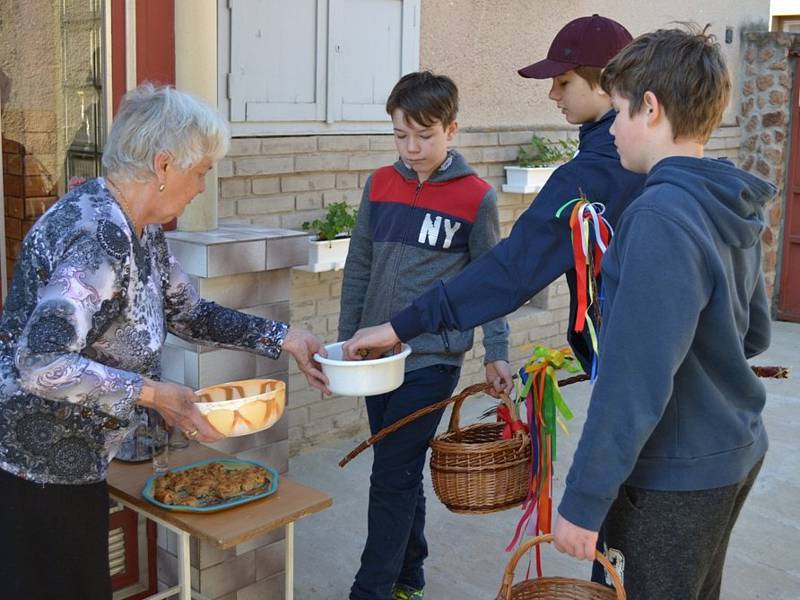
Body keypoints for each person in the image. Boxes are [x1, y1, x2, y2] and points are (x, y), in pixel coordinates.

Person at [0, 83, 328, 600]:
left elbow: (189, 313)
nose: (201, 187)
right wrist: (152, 393)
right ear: (163, 165)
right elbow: (41, 364)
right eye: (199, 172)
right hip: (34, 476)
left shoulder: (140, 227)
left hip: (75, 464)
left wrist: (286, 337)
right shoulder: (97, 236)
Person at [551, 26, 774, 599]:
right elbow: (752, 334)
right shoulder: (727, 200)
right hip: (732, 453)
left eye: (619, 110)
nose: (614, 129)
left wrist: (584, 500)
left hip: (674, 475)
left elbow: (634, 381)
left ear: (650, 108)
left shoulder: (660, 216)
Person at [341, 15, 643, 378]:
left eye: (563, 81)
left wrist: (399, 327)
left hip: (634, 359)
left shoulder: (598, 171)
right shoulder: (633, 156)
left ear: (607, 82)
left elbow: (512, 269)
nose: (552, 93)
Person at [339, 71, 511, 600]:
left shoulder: (476, 198)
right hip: (374, 357)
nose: (411, 148)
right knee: (402, 469)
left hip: (433, 358)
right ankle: (410, 574)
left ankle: (370, 591)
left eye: (425, 134)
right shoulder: (379, 184)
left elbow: (493, 283)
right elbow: (359, 267)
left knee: (389, 476)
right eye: (400, 135)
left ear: (452, 130)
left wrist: (496, 353)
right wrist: (348, 346)